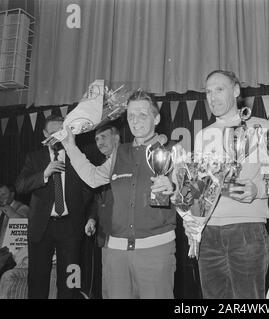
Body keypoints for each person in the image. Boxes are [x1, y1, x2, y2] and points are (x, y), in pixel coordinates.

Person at [61, 90, 177, 299]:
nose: (135, 121)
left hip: (156, 252)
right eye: (131, 115)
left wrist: (174, 189)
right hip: (116, 254)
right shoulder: (119, 153)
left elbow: (190, 200)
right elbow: (93, 177)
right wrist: (70, 146)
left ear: (156, 118)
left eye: (142, 114)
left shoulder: (173, 151)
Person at [185, 70, 269, 299]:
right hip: (208, 234)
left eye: (219, 89)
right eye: (208, 92)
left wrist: (257, 190)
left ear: (235, 90)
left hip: (247, 231)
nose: (212, 97)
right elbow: (199, 189)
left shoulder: (261, 128)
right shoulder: (203, 135)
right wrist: (192, 221)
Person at [15, 115, 94, 299]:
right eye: (52, 134)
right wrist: (44, 174)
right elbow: (20, 186)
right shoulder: (34, 158)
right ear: (44, 134)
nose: (57, 138)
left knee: (69, 281)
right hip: (41, 227)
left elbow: (89, 190)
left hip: (70, 227)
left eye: (61, 133)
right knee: (37, 280)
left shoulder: (78, 157)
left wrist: (83, 214)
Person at [82, 124, 120, 298]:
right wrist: (92, 219)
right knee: (108, 288)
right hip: (104, 237)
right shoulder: (101, 167)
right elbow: (99, 201)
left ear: (116, 138)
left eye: (103, 137)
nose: (99, 142)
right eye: (97, 139)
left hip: (123, 237)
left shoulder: (126, 161)